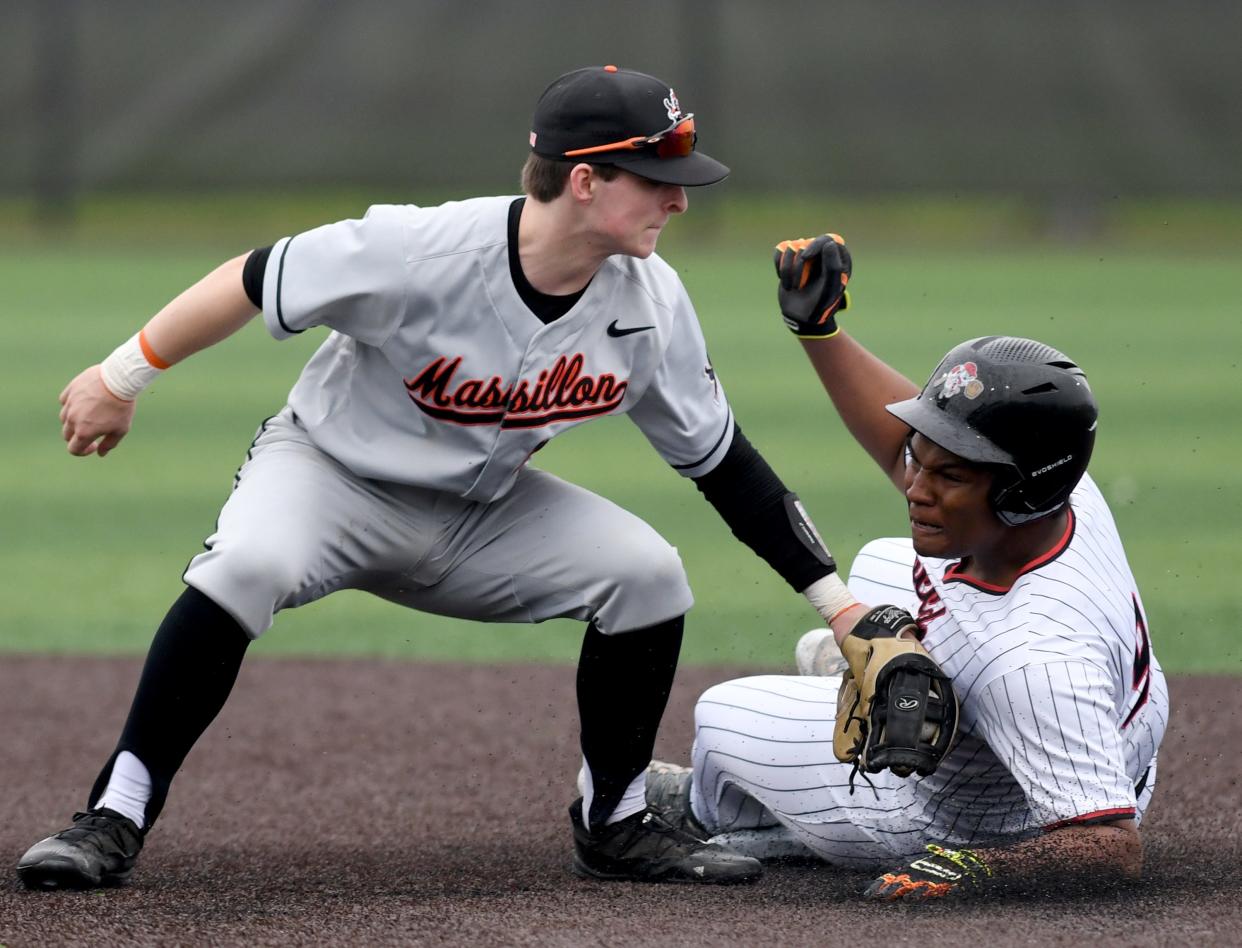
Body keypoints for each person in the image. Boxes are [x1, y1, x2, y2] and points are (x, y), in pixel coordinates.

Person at [17, 68, 872, 891]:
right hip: (330, 480)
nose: (679, 199)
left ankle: (613, 823)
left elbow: (722, 463)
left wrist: (838, 607)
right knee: (243, 568)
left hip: (483, 516)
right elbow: (253, 277)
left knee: (647, 576)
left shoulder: (650, 299)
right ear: (584, 181)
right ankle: (112, 814)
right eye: (657, 179)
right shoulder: (418, 248)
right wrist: (121, 376)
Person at [644, 235, 1168, 900]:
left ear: (1019, 491)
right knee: (879, 564)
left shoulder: (1033, 662)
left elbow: (1110, 847)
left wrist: (979, 868)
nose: (916, 484)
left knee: (720, 718)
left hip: (987, 818)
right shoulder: (1062, 490)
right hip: (1113, 740)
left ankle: (713, 812)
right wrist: (818, 329)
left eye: (948, 474)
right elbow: (907, 448)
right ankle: (935, 697)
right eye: (925, 457)